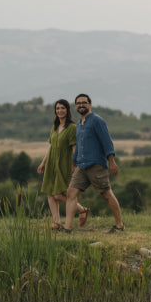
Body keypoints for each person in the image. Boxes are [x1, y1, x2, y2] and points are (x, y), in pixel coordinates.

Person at [63, 93, 125, 233]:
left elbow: (107, 142)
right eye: (78, 103)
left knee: (106, 194)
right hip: (81, 165)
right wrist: (74, 162)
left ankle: (119, 225)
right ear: (75, 106)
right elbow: (79, 145)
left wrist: (112, 162)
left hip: (96, 164)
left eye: (84, 102)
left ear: (90, 104)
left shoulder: (97, 121)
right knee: (71, 192)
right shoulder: (79, 124)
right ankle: (67, 228)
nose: (81, 105)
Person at [37, 99, 88, 231]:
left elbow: (74, 148)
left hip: (64, 163)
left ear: (67, 110)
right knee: (50, 193)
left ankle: (82, 210)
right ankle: (57, 223)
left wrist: (74, 164)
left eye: (62, 108)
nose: (60, 110)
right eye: (58, 108)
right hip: (51, 164)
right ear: (55, 111)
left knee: (59, 195)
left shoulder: (71, 127)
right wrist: (43, 163)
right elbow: (51, 147)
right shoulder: (54, 127)